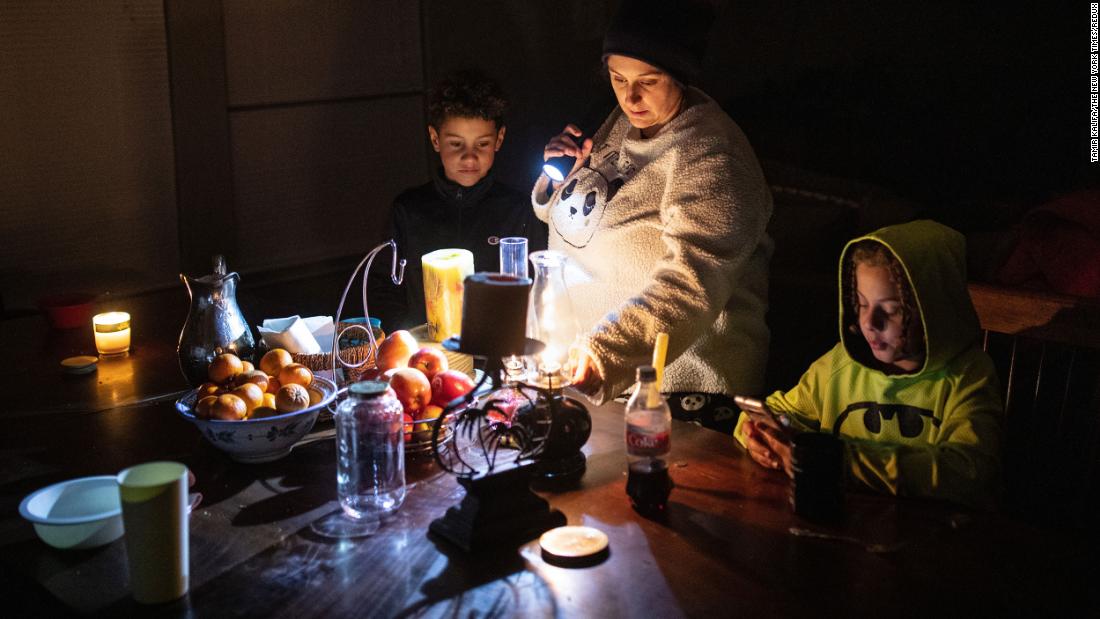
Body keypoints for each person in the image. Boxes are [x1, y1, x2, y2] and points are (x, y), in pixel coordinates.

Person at [531, 0, 773, 433]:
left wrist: (603, 354)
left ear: (680, 74)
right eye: (618, 78)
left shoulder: (711, 154)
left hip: (678, 398)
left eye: (648, 80)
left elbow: (691, 283)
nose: (630, 96)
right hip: (592, 380)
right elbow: (582, 221)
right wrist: (558, 181)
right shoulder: (622, 123)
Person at [736, 220, 1003, 509]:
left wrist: (840, 462)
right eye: (862, 304)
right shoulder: (841, 365)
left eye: (891, 310)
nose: (869, 323)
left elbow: (967, 470)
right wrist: (763, 436)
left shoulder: (968, 375)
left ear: (934, 310)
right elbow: (783, 412)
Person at [374, 70, 548, 331]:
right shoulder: (409, 210)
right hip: (426, 356)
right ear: (435, 139)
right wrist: (405, 337)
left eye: (482, 144)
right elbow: (383, 287)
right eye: (456, 144)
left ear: (499, 139)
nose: (469, 158)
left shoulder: (519, 210)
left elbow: (537, 288)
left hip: (497, 353)